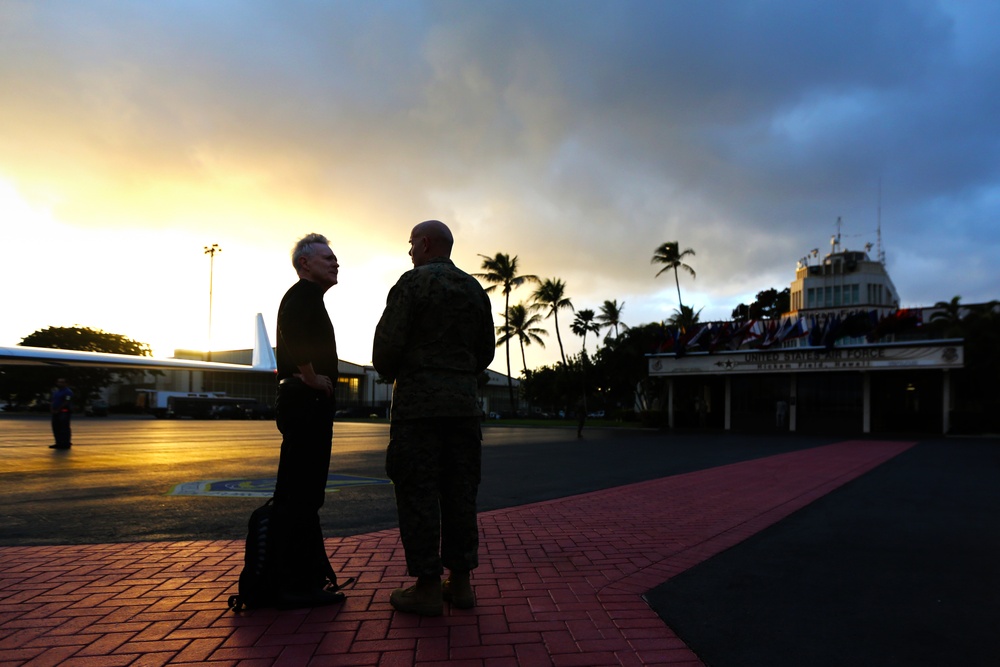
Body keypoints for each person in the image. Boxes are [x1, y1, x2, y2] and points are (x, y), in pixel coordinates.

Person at [373, 219, 495, 616]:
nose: (409, 252)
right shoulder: (475, 289)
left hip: (418, 412)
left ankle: (426, 586)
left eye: (410, 244)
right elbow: (487, 351)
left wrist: (402, 368)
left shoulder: (412, 284)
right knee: (461, 494)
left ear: (425, 244)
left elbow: (386, 349)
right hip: (463, 409)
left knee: (419, 494)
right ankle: (460, 585)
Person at [271, 233, 344, 607]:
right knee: (301, 494)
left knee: (301, 493)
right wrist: (311, 375)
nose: (335, 263)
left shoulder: (308, 298)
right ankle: (293, 585)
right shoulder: (302, 295)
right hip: (305, 404)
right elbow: (292, 333)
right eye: (327, 257)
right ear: (305, 264)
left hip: (304, 404)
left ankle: (295, 580)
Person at [49, 378, 73, 450]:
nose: (60, 384)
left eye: (62, 382)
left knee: (64, 428)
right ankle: (58, 443)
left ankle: (65, 443)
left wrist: (58, 409)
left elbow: (67, 401)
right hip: (55, 411)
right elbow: (52, 401)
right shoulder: (56, 392)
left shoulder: (68, 392)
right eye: (59, 382)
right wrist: (52, 409)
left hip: (63, 411)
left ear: (66, 384)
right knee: (56, 427)